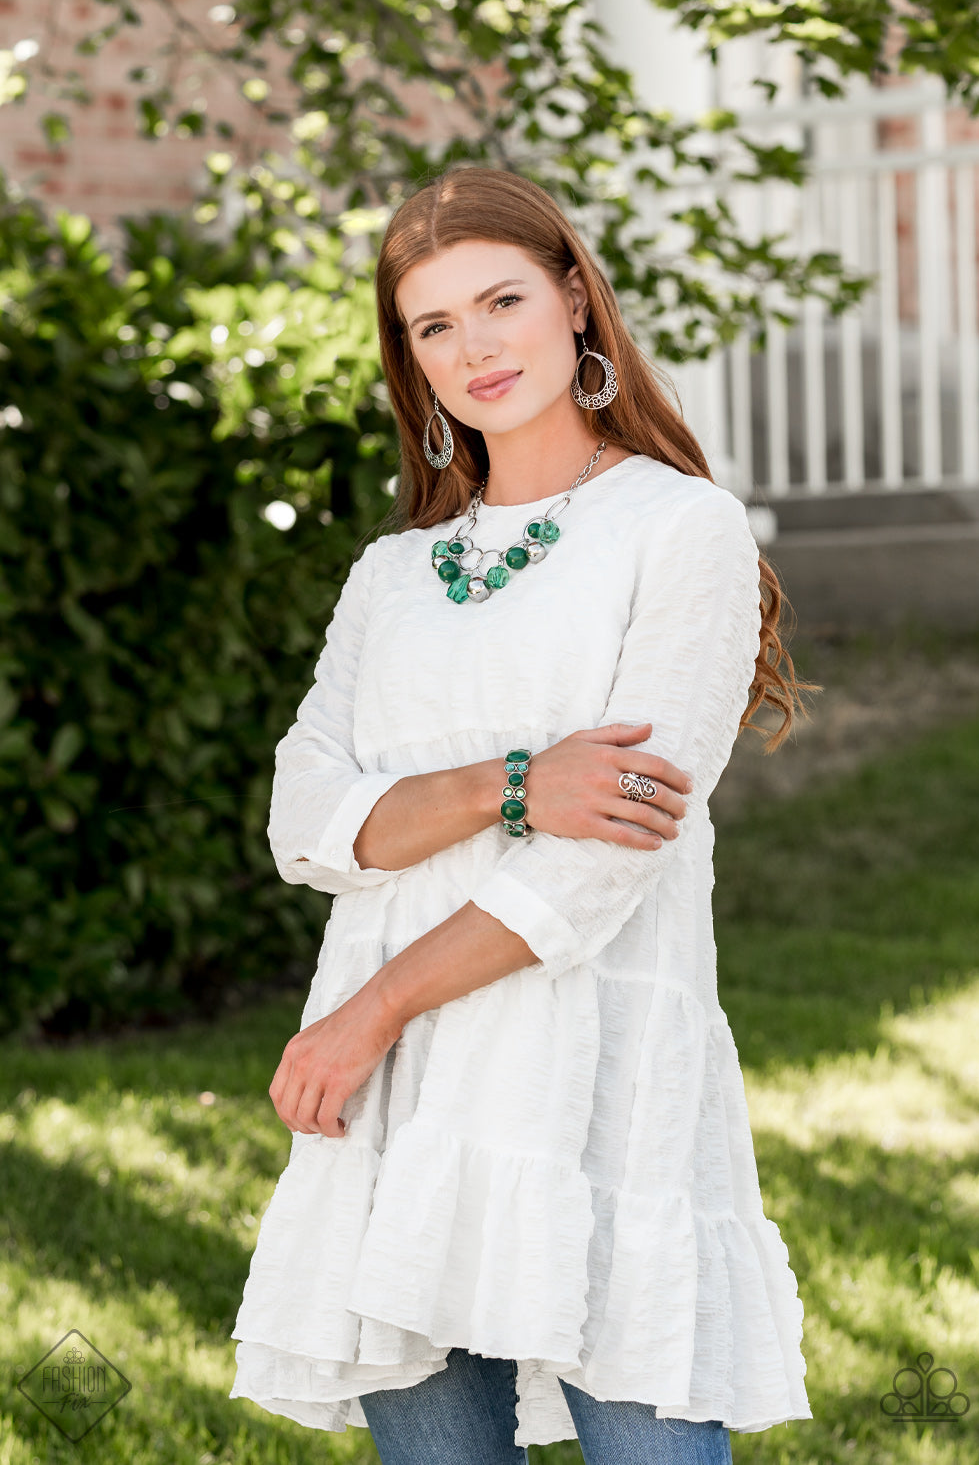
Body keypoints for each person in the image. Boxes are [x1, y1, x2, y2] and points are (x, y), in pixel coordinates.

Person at [229, 165, 814, 1464]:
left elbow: (606, 859)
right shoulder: (390, 576)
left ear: (574, 301)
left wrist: (372, 1009)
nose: (475, 348)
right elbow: (305, 820)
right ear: (410, 358)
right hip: (400, 1109)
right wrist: (515, 783)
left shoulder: (680, 529)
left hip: (592, 1078)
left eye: (502, 301)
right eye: (434, 325)